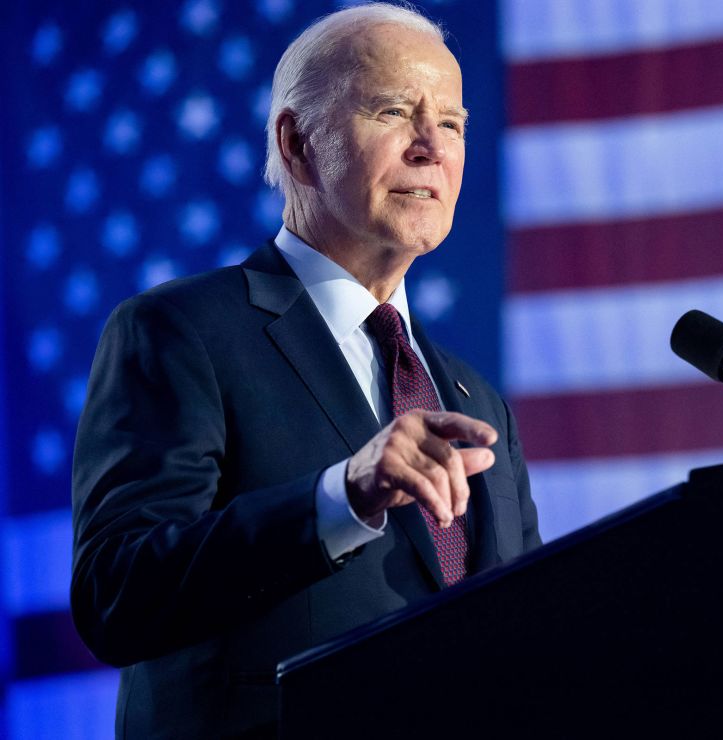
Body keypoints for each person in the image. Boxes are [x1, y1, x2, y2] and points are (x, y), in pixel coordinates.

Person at [70, 3, 541, 736]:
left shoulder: (476, 398)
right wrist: (342, 495)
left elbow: (523, 633)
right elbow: (118, 595)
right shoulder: (182, 332)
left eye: (451, 123)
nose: (431, 147)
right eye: (394, 110)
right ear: (297, 144)